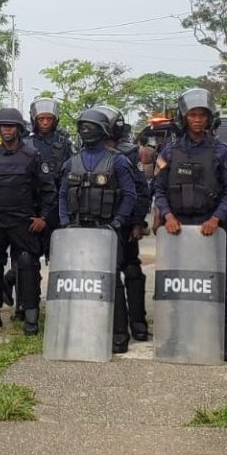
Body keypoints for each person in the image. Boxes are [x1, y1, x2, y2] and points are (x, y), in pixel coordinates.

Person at [152, 88, 227, 360]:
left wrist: (216, 218)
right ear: (184, 117)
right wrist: (167, 216)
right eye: (193, 115)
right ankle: (175, 333)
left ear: (210, 118)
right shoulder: (169, 151)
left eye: (203, 115)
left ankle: (225, 337)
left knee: (217, 281)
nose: (198, 120)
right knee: (176, 281)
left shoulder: (221, 151)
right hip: (177, 227)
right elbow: (158, 188)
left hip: (211, 227)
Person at [58, 106, 138, 353]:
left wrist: (118, 222)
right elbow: (62, 196)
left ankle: (119, 334)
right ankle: (82, 328)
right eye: (82, 127)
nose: (86, 131)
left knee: (112, 281)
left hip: (107, 230)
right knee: (80, 281)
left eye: (91, 127)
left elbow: (130, 195)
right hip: (78, 230)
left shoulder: (118, 161)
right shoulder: (71, 162)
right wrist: (65, 222)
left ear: (104, 130)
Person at [0, 107, 54, 335]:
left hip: (23, 220)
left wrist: (43, 218)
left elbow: (48, 190)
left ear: (19, 129)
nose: (7, 130)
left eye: (11, 126)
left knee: (27, 263)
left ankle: (30, 312)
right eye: (3, 126)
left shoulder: (32, 156)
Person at [99, 106, 152, 343]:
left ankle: (138, 323)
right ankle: (113, 323)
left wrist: (138, 222)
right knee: (106, 272)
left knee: (131, 269)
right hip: (100, 224)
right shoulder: (89, 152)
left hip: (125, 222)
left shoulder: (129, 153)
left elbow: (141, 191)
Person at [26, 97, 74, 263]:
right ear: (35, 120)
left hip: (57, 206)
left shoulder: (64, 144)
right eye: (41, 119)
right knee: (27, 258)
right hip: (31, 204)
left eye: (49, 119)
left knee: (58, 256)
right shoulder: (25, 143)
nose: (45, 122)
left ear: (55, 120)